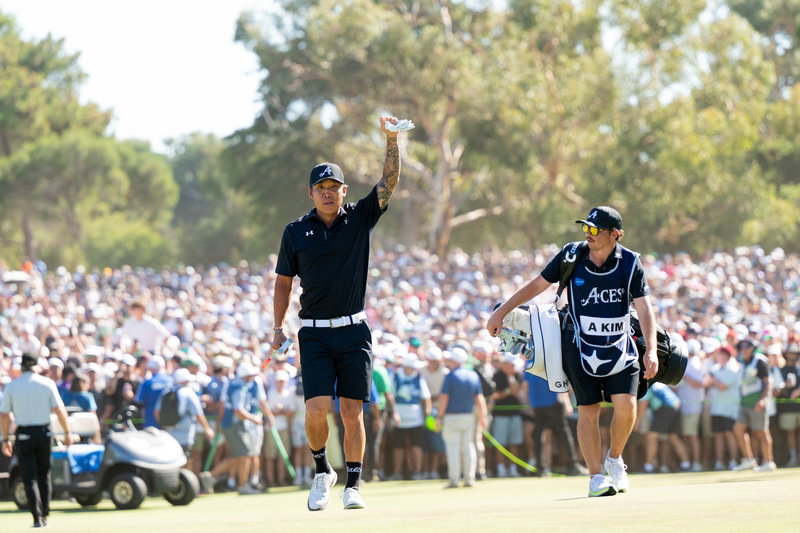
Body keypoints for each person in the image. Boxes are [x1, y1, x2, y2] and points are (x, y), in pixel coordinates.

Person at [270, 116, 404, 511]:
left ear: (344, 191)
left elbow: (389, 183)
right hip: (312, 332)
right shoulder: (295, 231)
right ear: (311, 193)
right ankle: (321, 470)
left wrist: (391, 140)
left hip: (353, 330)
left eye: (334, 188)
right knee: (315, 410)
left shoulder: (360, 217)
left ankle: (353, 484)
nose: (328, 194)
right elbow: (282, 282)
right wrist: (277, 327)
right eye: (321, 188)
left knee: (351, 411)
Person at [487, 206, 659, 497]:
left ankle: (615, 460)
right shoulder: (571, 254)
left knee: (627, 404)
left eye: (595, 230)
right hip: (579, 346)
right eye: (586, 229)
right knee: (588, 410)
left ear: (614, 234)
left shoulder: (630, 262)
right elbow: (538, 284)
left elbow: (644, 307)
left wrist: (651, 350)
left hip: (621, 346)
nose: (588, 235)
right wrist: (502, 311)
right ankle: (595, 477)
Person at [1, 354, 73, 528]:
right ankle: (45, 515)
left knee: (29, 477)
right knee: (44, 475)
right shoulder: (46, 383)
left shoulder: (13, 386)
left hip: (24, 433)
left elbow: (4, 415)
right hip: (44, 433)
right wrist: (67, 432)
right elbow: (59, 409)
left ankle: (36, 517)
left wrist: (4, 439)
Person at [437, 347, 488, 488]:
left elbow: (444, 398)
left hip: (452, 417)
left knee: (453, 448)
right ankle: (469, 478)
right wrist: (483, 417)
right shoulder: (472, 375)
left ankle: (454, 479)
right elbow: (479, 399)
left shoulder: (450, 376)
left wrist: (439, 417)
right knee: (468, 447)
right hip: (468, 417)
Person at [732, 338, 776, 472]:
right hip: (745, 401)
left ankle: (769, 462)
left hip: (757, 400)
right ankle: (748, 460)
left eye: (747, 347)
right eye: (742, 347)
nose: (744, 349)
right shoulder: (743, 361)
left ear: (753, 348)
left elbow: (767, 382)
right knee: (738, 429)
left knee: (761, 432)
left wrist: (762, 399)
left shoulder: (759, 361)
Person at [155, 368, 214, 458]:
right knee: (185, 462)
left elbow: (156, 412)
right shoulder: (188, 393)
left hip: (168, 435)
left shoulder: (166, 391)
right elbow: (199, 414)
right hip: (185, 437)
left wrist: (166, 423)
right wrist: (207, 429)